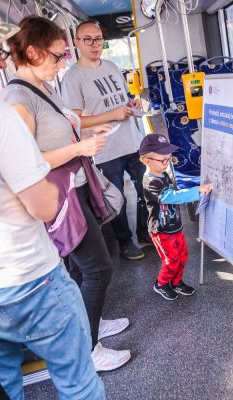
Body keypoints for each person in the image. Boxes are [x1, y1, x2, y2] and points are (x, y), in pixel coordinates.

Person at [0, 1, 105, 398]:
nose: (1, 62)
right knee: (78, 384)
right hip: (26, 279)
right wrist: (61, 181)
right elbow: (41, 204)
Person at [2, 16, 131, 371]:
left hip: (76, 185)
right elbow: (25, 162)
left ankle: (90, 321)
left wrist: (86, 135)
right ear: (31, 52)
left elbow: (62, 128)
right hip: (59, 196)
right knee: (98, 268)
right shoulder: (18, 98)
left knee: (79, 268)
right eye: (58, 56)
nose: (62, 63)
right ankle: (88, 349)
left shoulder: (45, 87)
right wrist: (81, 149)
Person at [61, 20, 149, 261]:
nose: (94, 44)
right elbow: (75, 120)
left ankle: (145, 232)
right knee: (116, 198)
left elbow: (120, 100)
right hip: (104, 149)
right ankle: (125, 242)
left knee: (146, 189)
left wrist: (130, 105)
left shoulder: (111, 66)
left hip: (132, 140)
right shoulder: (72, 78)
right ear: (76, 42)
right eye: (87, 39)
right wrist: (113, 115)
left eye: (98, 38)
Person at [139, 134, 212, 300]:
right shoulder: (151, 181)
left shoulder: (162, 173)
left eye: (168, 159)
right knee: (171, 260)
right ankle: (162, 284)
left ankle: (176, 282)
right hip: (161, 230)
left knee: (182, 256)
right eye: (163, 160)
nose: (167, 163)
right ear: (146, 160)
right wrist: (197, 191)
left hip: (175, 226)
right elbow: (172, 196)